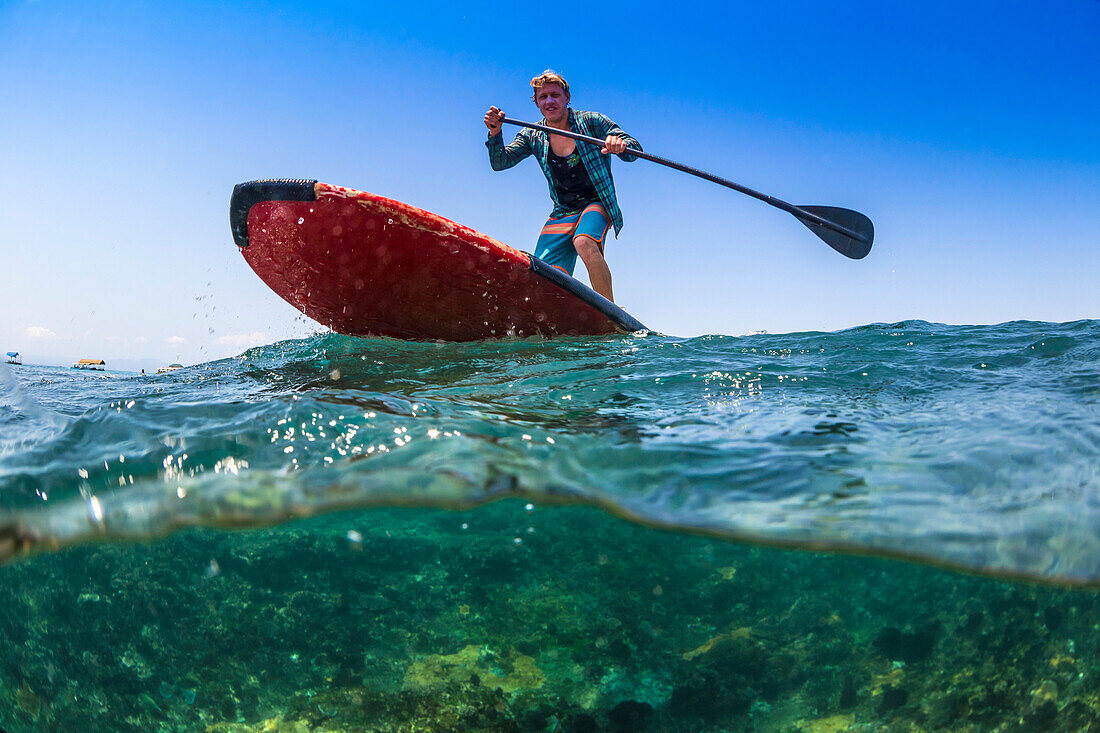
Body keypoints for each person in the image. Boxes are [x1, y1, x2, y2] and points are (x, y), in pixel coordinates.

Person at [484, 70, 641, 303]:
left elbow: (634, 149)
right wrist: (495, 132)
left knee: (584, 242)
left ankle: (609, 313)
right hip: (563, 211)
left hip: (597, 203)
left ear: (567, 97)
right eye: (543, 97)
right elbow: (500, 162)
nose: (550, 101)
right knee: (543, 274)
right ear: (536, 103)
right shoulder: (532, 135)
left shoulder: (592, 121)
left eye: (555, 95)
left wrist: (619, 144)